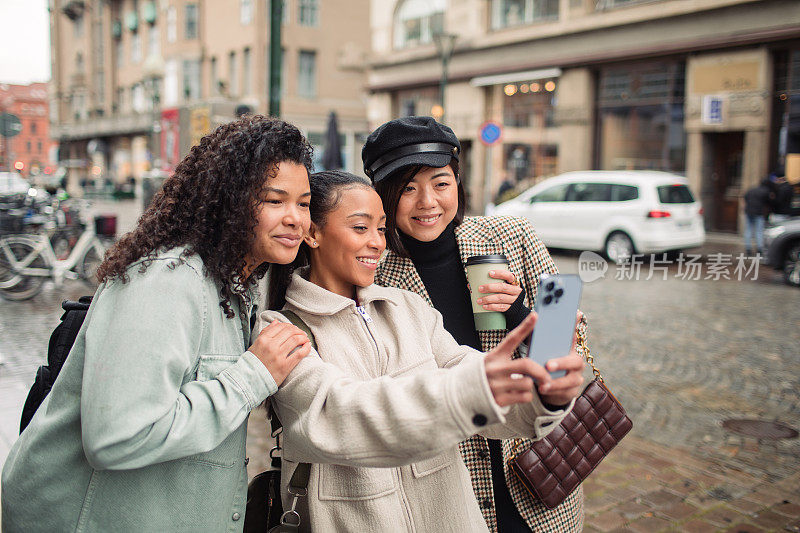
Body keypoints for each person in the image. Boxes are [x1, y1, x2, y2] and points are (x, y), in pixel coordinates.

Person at [1, 116, 314, 532]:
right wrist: (251, 377)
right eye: (274, 201)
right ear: (228, 201)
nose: (295, 218)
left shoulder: (233, 286)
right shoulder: (166, 282)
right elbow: (118, 436)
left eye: (304, 203)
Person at [260, 170, 585, 532]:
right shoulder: (280, 330)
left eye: (381, 229)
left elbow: (466, 369)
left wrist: (541, 390)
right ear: (313, 233)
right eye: (360, 228)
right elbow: (340, 413)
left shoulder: (409, 307)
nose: (377, 243)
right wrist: (469, 388)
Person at [362, 116, 590, 532]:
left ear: (457, 183)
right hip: (448, 490)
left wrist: (518, 310)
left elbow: (570, 345)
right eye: (407, 189)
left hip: (538, 473)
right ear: (383, 197)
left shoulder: (516, 235)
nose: (427, 202)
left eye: (440, 183)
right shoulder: (374, 276)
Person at [743, 177, 775, 256]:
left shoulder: (752, 189)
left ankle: (748, 248)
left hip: (749, 211)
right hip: (758, 212)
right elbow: (770, 202)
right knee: (759, 230)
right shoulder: (766, 191)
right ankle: (759, 249)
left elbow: (745, 197)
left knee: (748, 229)